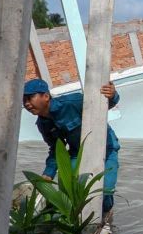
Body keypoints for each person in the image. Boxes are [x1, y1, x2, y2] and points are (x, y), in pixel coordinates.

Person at [22, 78, 120, 214]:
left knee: (104, 190)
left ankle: (105, 215)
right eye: (24, 100)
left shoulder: (72, 103)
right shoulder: (43, 124)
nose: (27, 104)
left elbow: (103, 104)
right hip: (77, 154)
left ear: (46, 96)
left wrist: (112, 95)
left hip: (105, 150)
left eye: (30, 97)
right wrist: (48, 174)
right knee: (71, 192)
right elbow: (56, 149)